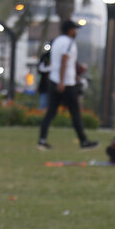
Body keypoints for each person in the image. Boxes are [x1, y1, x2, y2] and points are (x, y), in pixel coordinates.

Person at [36, 20, 97, 151]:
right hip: (66, 83)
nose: (76, 32)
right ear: (70, 30)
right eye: (75, 29)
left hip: (54, 80)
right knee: (75, 113)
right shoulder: (69, 42)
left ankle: (42, 140)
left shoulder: (57, 41)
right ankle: (83, 141)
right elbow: (64, 60)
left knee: (50, 112)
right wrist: (63, 81)